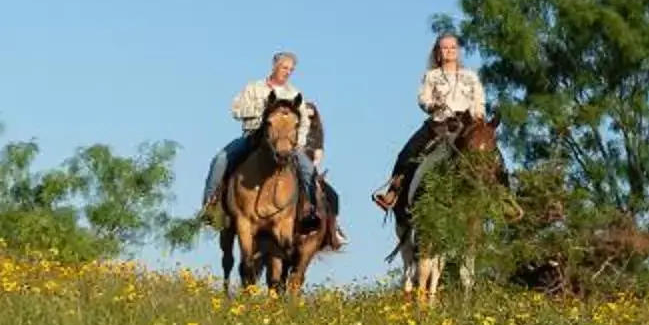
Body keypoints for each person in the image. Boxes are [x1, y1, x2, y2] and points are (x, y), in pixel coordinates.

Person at [201, 50, 345, 248]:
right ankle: (210, 204)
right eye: (284, 68)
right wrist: (261, 110)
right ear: (274, 66)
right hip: (253, 137)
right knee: (220, 159)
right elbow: (236, 109)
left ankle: (310, 211)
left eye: (291, 70)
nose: (287, 72)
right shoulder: (254, 88)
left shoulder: (294, 94)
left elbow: (303, 122)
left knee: (308, 169)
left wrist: (299, 143)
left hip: (287, 144)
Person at [372, 33, 488, 213]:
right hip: (439, 125)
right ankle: (392, 192)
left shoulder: (470, 76)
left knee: (492, 153)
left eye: (452, 48)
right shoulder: (431, 76)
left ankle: (505, 198)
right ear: (438, 52)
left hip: (467, 126)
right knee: (406, 153)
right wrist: (432, 105)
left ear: (457, 51)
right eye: (445, 48)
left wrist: (479, 116)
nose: (449, 51)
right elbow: (423, 99)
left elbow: (479, 99)